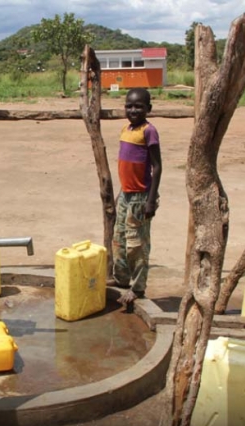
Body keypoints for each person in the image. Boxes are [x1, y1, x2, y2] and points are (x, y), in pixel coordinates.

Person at [110, 88, 163, 306]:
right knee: (119, 240)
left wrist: (151, 200)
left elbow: (157, 167)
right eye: (129, 106)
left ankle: (138, 288)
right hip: (126, 195)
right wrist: (120, 194)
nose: (133, 110)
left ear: (148, 109)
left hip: (141, 198)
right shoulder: (125, 129)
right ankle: (122, 281)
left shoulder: (149, 131)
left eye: (139, 106)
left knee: (137, 244)